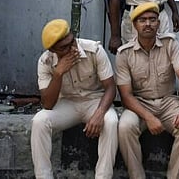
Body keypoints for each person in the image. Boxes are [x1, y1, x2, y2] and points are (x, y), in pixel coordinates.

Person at [116, 2, 179, 179]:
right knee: (125, 127)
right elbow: (126, 95)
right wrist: (149, 117)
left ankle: (173, 176)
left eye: (152, 19)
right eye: (142, 20)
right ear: (134, 25)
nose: (148, 24)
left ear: (158, 23)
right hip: (139, 104)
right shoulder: (124, 53)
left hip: (168, 101)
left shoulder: (170, 44)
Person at [31, 19, 118, 179]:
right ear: (52, 50)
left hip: (95, 101)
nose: (72, 48)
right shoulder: (45, 62)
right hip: (67, 104)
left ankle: (103, 176)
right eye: (64, 47)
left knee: (111, 121)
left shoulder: (94, 50)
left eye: (72, 41)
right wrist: (58, 74)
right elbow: (48, 104)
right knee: (39, 121)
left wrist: (99, 113)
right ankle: (43, 176)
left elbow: (111, 88)